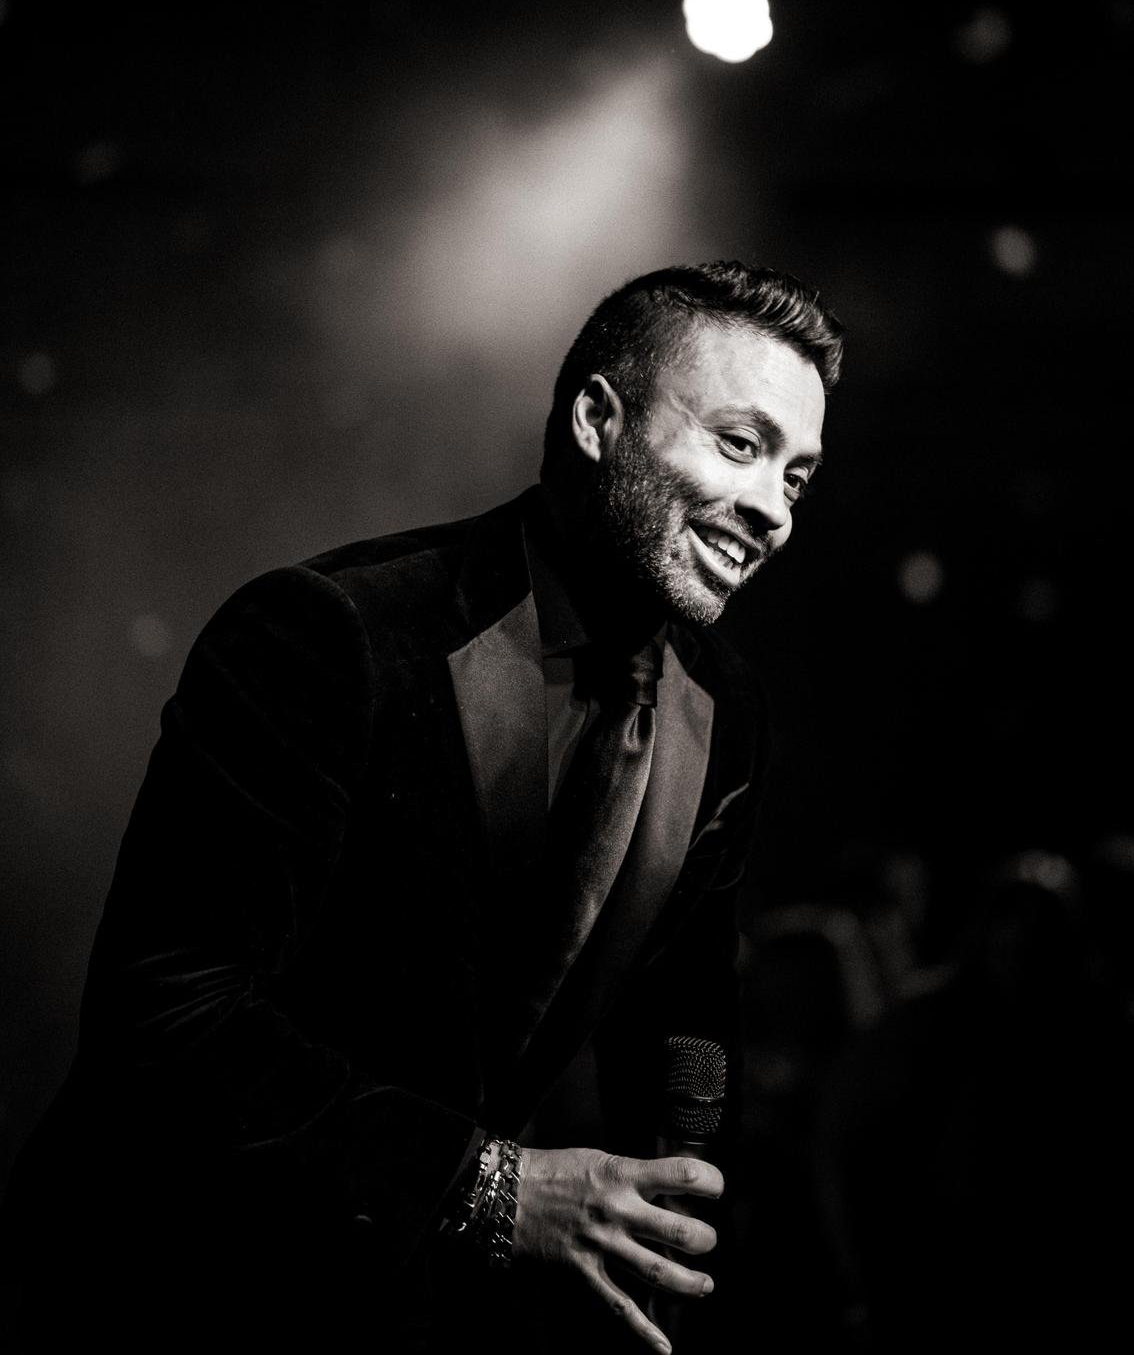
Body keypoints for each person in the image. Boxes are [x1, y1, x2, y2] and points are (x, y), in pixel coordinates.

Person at [1, 261, 842, 1353]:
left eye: (798, 475)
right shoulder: (330, 632)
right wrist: (489, 1187)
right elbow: (169, 1011)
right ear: (597, 420)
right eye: (740, 444)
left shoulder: (725, 708)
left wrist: (672, 1222)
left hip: (414, 1321)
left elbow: (683, 1018)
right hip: (157, 1291)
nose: (773, 507)